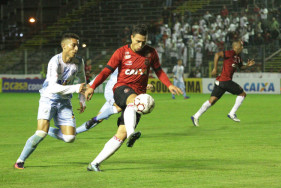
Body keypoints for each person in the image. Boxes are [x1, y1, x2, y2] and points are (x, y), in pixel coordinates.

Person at [84, 24, 182, 171]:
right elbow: (105, 72)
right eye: (138, 41)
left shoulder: (151, 53)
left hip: (139, 95)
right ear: (131, 38)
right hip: (121, 89)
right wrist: (92, 86)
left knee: (120, 134)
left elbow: (159, 71)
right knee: (132, 101)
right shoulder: (121, 52)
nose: (141, 45)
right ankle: (132, 133)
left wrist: (169, 85)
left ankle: (94, 163)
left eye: (144, 41)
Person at [14, 33, 87, 169]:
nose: (76, 49)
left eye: (77, 45)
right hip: (49, 99)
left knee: (70, 138)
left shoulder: (79, 62)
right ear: (64, 46)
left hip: (65, 102)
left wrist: (82, 100)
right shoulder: (55, 61)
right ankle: (20, 160)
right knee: (40, 133)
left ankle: (47, 130)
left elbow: (83, 81)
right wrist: (76, 88)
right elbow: (53, 87)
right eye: (73, 45)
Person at [191, 40, 255, 126]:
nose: (242, 47)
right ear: (236, 47)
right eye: (241, 46)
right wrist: (215, 68)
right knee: (242, 94)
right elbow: (217, 54)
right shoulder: (230, 53)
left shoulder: (238, 57)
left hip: (221, 81)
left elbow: (241, 67)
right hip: (225, 80)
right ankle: (232, 113)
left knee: (212, 101)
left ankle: (195, 116)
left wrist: (247, 65)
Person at [76, 69, 154, 134]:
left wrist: (145, 85)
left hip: (121, 92)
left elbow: (133, 82)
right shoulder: (121, 61)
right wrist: (90, 85)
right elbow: (103, 74)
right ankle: (121, 120)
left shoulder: (134, 65)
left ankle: (74, 132)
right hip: (112, 91)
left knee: (100, 118)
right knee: (119, 107)